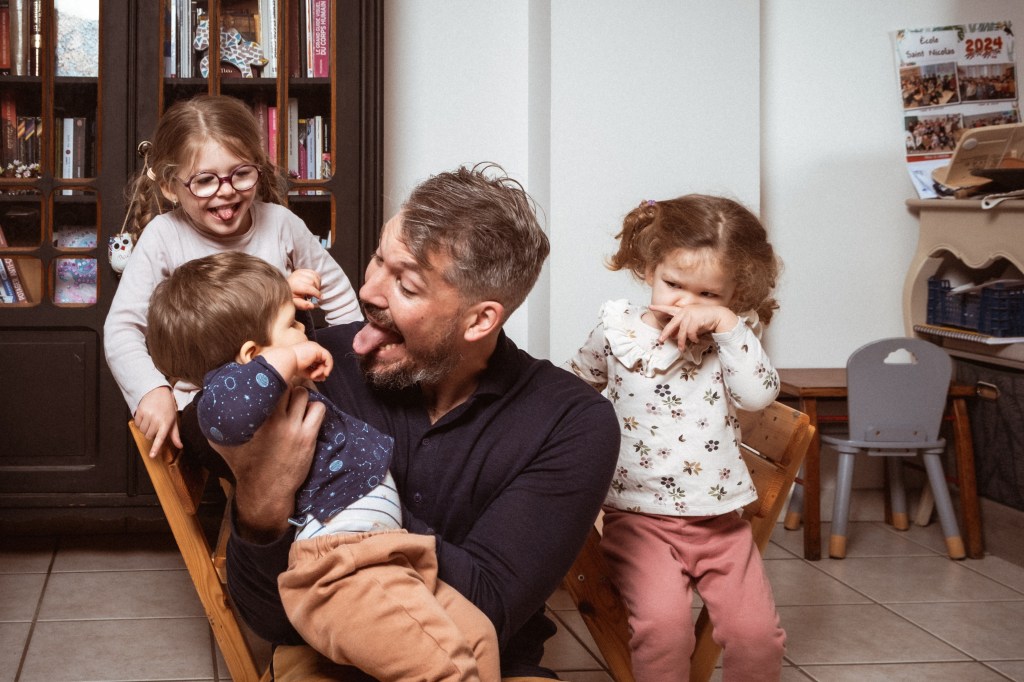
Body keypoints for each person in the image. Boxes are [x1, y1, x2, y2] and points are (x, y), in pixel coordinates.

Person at [178, 163, 621, 679]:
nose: (369, 291)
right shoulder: (310, 367)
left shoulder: (570, 421)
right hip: (324, 658)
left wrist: (365, 510)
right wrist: (263, 496)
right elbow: (272, 619)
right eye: (377, 260)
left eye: (406, 285)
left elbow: (487, 607)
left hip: (478, 660)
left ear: (481, 319)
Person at [147, 251, 499, 681]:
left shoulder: (278, 388)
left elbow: (272, 358)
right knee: (440, 667)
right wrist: (285, 355)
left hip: (389, 555)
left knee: (478, 635)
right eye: (292, 324)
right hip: (340, 567)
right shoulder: (229, 399)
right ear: (254, 354)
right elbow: (226, 409)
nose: (305, 331)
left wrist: (283, 313)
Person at [565, 195, 786, 681]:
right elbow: (575, 388)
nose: (687, 304)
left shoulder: (731, 341)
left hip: (721, 522)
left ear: (735, 292)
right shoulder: (616, 331)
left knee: (757, 635)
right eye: (673, 285)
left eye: (709, 294)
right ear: (648, 269)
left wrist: (728, 327)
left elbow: (758, 396)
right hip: (639, 518)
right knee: (664, 631)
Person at [104, 94, 362, 460]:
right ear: (169, 186)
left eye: (241, 173)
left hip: (289, 396)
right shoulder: (164, 236)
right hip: (209, 408)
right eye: (204, 181)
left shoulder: (281, 224)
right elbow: (122, 329)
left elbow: (337, 295)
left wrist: (352, 368)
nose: (226, 190)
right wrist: (150, 389)